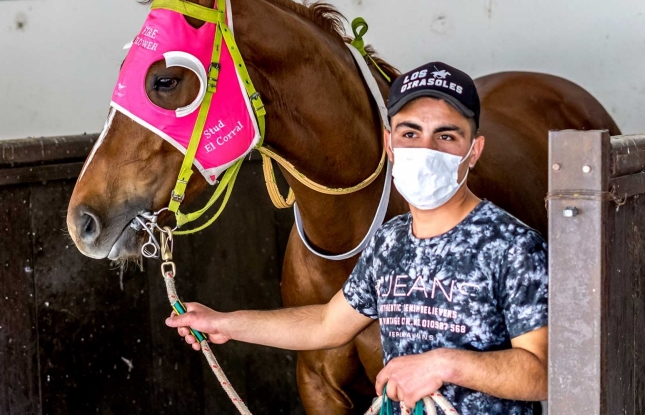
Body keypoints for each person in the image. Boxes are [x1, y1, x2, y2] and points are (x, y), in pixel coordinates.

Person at [165, 62, 548, 414]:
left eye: (446, 136)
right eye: (410, 132)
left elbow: (542, 373)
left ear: (474, 150)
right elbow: (327, 325)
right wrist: (224, 323)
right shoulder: (390, 241)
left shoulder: (513, 246)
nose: (426, 150)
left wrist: (443, 365)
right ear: (389, 144)